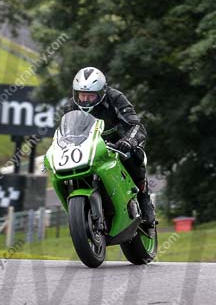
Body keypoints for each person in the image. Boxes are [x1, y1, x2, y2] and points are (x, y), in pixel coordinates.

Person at [63, 67, 156, 226]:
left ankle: (144, 198)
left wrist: (128, 141)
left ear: (101, 92)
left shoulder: (116, 98)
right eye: (81, 94)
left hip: (118, 142)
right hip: (88, 146)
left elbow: (136, 125)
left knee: (135, 155)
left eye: (90, 96)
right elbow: (64, 135)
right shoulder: (71, 106)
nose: (85, 100)